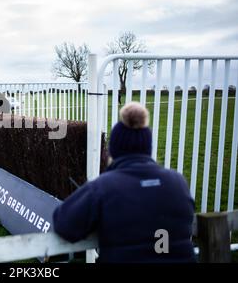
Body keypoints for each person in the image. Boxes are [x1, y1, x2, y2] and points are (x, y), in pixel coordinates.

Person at [53, 102, 195, 263]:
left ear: (113, 150)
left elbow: (64, 224)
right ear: (148, 148)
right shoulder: (178, 182)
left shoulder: (104, 186)